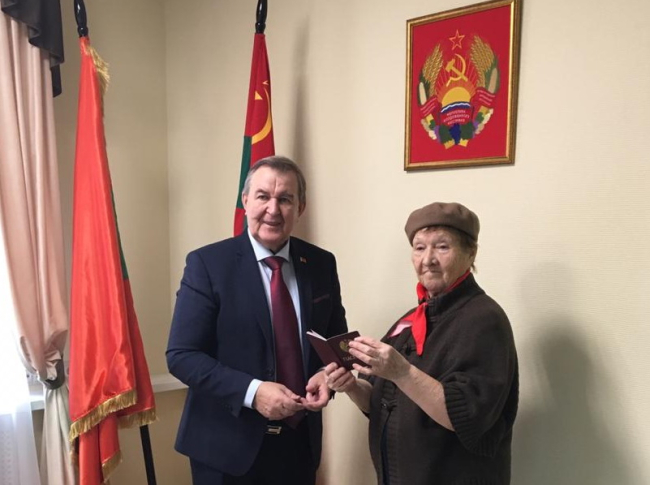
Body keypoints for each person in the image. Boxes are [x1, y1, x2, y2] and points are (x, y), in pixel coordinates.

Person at [167, 156, 348, 485]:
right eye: (263, 196)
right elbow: (182, 356)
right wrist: (253, 392)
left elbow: (336, 344)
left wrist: (327, 375)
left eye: (285, 199)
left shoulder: (321, 263)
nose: (273, 210)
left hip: (298, 447)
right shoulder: (208, 264)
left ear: (300, 207)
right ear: (246, 200)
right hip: (225, 451)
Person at [325, 202, 519, 485]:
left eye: (442, 247)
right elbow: (380, 401)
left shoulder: (484, 319)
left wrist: (402, 371)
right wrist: (352, 387)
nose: (428, 259)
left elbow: (466, 417)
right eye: (419, 248)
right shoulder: (409, 320)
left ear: (471, 253)